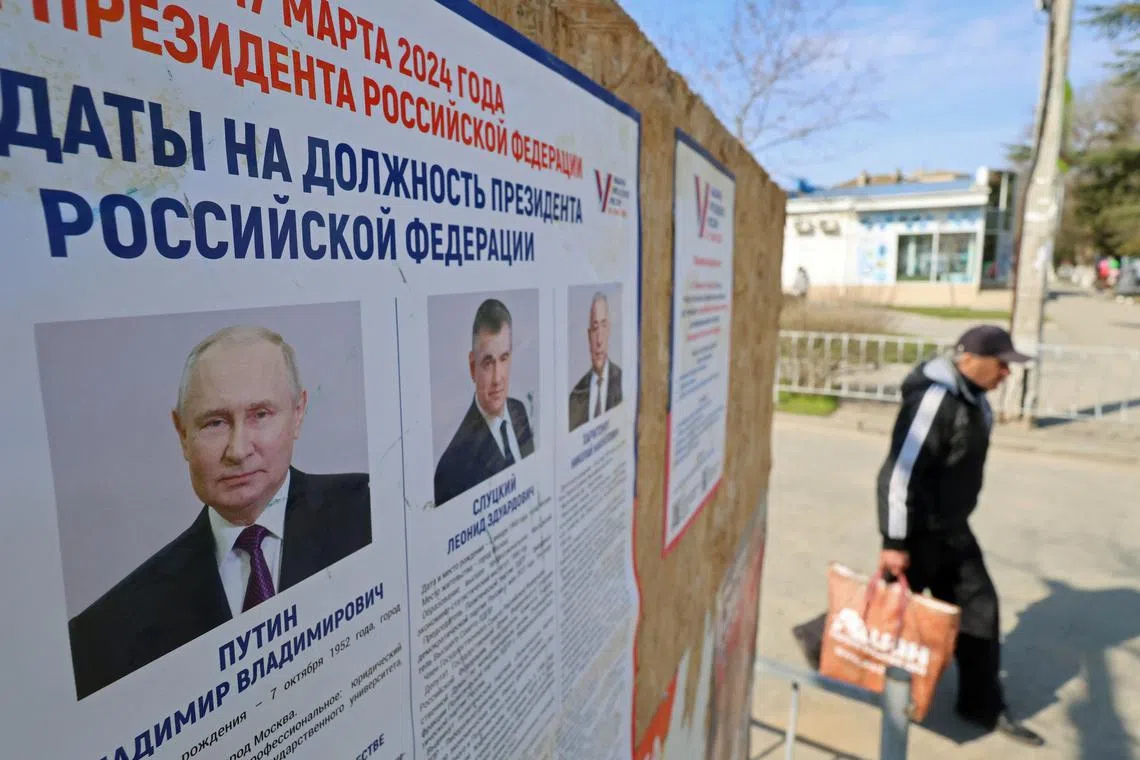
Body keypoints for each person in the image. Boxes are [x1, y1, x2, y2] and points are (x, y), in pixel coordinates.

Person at [67, 326, 371, 700]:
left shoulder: (374, 512)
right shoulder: (105, 635)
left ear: (298, 413)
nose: (238, 449)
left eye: (260, 414)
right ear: (181, 434)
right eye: (215, 422)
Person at [876, 324, 1044, 746]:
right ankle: (832, 655)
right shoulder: (934, 401)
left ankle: (980, 704)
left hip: (952, 530)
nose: (1006, 373)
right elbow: (899, 475)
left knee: (977, 608)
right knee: (888, 614)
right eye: (1001, 364)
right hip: (918, 534)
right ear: (969, 359)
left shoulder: (976, 400)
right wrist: (895, 543)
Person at [434, 298, 535, 506]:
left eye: (504, 358)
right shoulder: (451, 469)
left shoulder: (519, 411)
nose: (498, 378)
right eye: (488, 363)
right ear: (473, 367)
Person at [568, 291, 623, 432]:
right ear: (588, 335)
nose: (599, 340)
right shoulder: (575, 397)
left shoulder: (623, 382)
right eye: (594, 328)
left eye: (604, 326)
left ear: (609, 330)